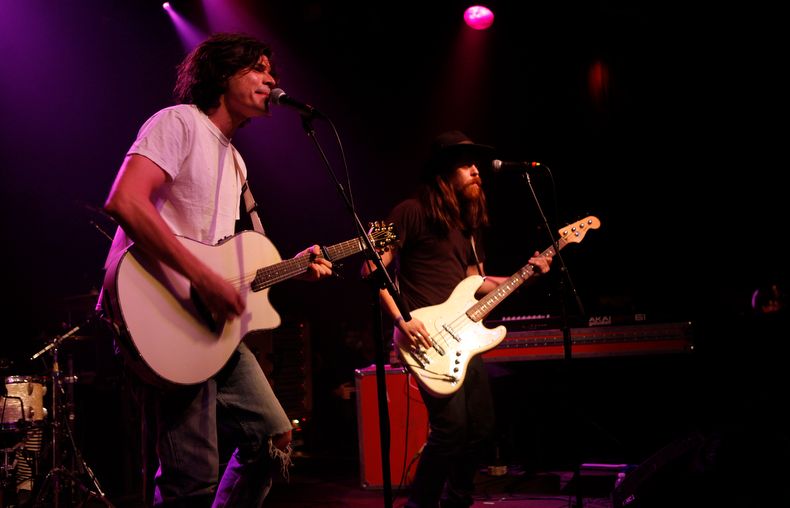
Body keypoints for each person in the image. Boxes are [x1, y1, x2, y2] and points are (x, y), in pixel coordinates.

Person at [98, 32, 333, 507]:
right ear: (223, 74)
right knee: (192, 476)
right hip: (160, 315)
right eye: (258, 68)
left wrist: (293, 267)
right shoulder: (179, 122)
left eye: (272, 71)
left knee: (273, 438)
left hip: (209, 324)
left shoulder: (237, 162)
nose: (271, 79)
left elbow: (226, 261)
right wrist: (203, 278)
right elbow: (125, 201)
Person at [362, 130, 553, 508]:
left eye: (475, 165)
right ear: (443, 172)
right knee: (450, 429)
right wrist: (401, 320)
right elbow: (370, 268)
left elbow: (476, 283)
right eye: (466, 165)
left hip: (464, 338)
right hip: (424, 337)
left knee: (481, 428)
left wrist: (527, 273)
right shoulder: (407, 211)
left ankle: (457, 499)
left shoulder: (468, 226)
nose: (476, 171)